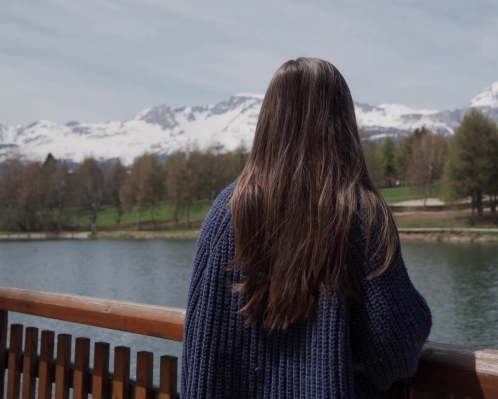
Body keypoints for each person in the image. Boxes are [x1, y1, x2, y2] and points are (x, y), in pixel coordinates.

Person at [180, 58, 432, 398]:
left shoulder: (225, 210)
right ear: (342, 120)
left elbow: (198, 330)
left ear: (269, 118)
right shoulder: (360, 212)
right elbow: (395, 348)